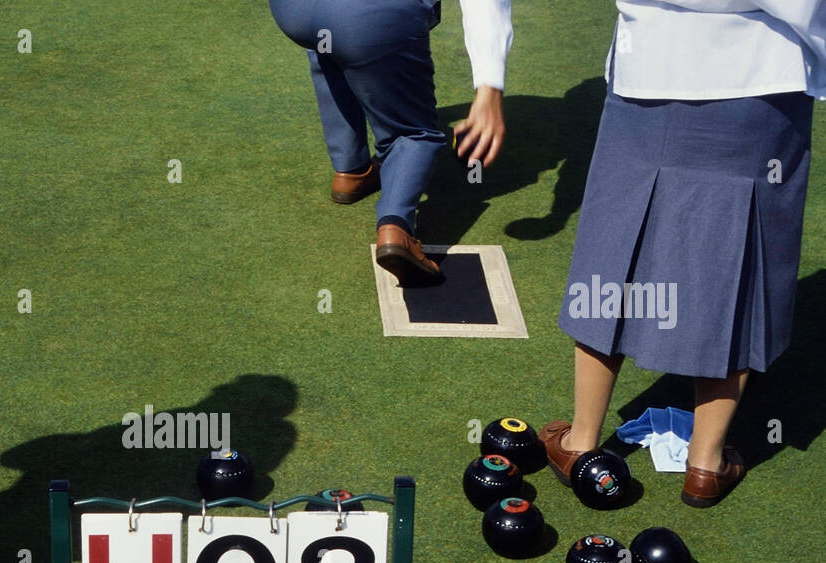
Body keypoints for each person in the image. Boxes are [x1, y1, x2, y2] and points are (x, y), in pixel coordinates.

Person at [541, 0, 825, 507]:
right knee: (738, 254)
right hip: (760, 73)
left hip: (646, 62)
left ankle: (582, 440)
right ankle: (705, 463)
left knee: (612, 244)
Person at [269, 0, 513, 285]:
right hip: (369, 17)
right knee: (412, 133)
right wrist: (490, 88)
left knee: (328, 44)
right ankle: (396, 227)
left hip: (293, 10)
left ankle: (352, 170)